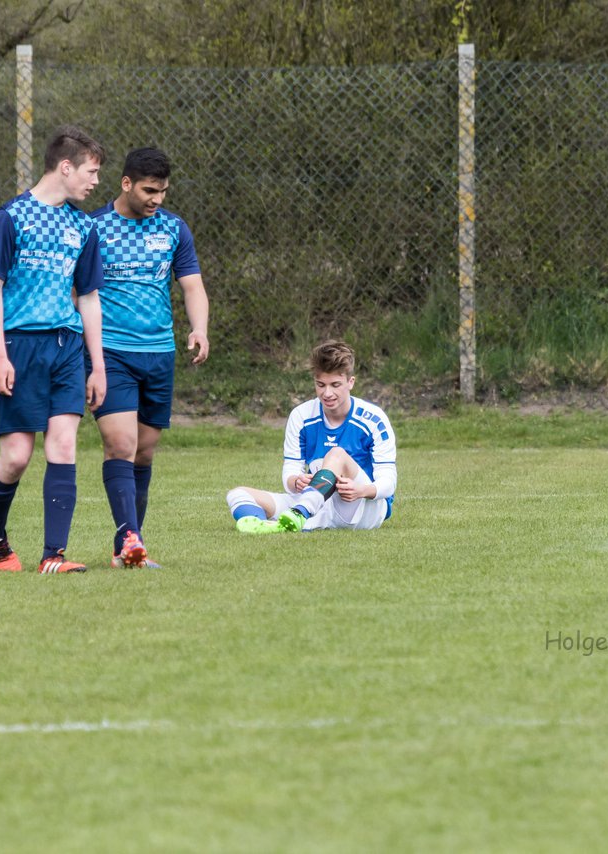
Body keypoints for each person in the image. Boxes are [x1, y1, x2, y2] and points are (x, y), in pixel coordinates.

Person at [0, 125, 108, 575]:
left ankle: (54, 555)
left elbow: (88, 298)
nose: (95, 182)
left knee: (64, 446)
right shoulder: (11, 218)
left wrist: (99, 366)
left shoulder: (84, 227)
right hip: (19, 347)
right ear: (65, 167)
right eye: (90, 172)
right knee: (15, 457)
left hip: (67, 348)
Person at [89, 147, 210, 568]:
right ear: (126, 184)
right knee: (120, 444)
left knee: (144, 452)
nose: (157, 198)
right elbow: (77, 292)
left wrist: (199, 328)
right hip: (110, 352)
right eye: (149, 190)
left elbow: (191, 286)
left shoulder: (174, 229)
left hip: (159, 353)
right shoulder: (95, 229)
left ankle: (128, 549)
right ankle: (130, 540)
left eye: (162, 191)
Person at [227, 340, 396, 534]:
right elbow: (290, 472)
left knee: (337, 455)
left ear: (351, 382)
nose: (327, 393)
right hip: (318, 502)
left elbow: (388, 482)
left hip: (362, 505)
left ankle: (300, 513)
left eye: (335, 385)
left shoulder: (373, 419)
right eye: (320, 385)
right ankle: (264, 525)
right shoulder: (301, 416)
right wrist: (295, 481)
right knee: (238, 494)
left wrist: (362, 491)